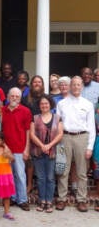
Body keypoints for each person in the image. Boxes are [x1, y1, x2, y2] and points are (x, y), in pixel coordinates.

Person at [56, 76, 96, 212]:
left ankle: (81, 200)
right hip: (65, 137)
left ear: (82, 87)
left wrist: (90, 147)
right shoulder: (61, 104)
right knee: (63, 170)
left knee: (82, 172)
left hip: (82, 138)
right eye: (73, 84)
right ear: (70, 86)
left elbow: (91, 127)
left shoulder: (88, 104)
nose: (76, 87)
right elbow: (58, 124)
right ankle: (62, 199)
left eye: (78, 85)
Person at [29, 95, 63, 213]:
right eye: (42, 103)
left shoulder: (57, 118)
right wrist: (42, 145)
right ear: (39, 105)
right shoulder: (35, 117)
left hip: (52, 152)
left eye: (46, 103)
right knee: (40, 178)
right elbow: (32, 134)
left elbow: (60, 134)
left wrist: (49, 145)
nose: (44, 105)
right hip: (38, 152)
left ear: (50, 105)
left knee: (50, 178)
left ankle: (49, 201)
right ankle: (41, 200)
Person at [1, 87, 32, 211]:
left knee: (20, 175)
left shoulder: (25, 111)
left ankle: (22, 199)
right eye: (12, 96)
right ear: (8, 97)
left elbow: (28, 131)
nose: (14, 98)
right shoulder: (2, 110)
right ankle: (12, 198)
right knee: (9, 175)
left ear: (20, 98)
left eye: (17, 96)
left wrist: (27, 149)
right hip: (5, 148)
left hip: (20, 148)